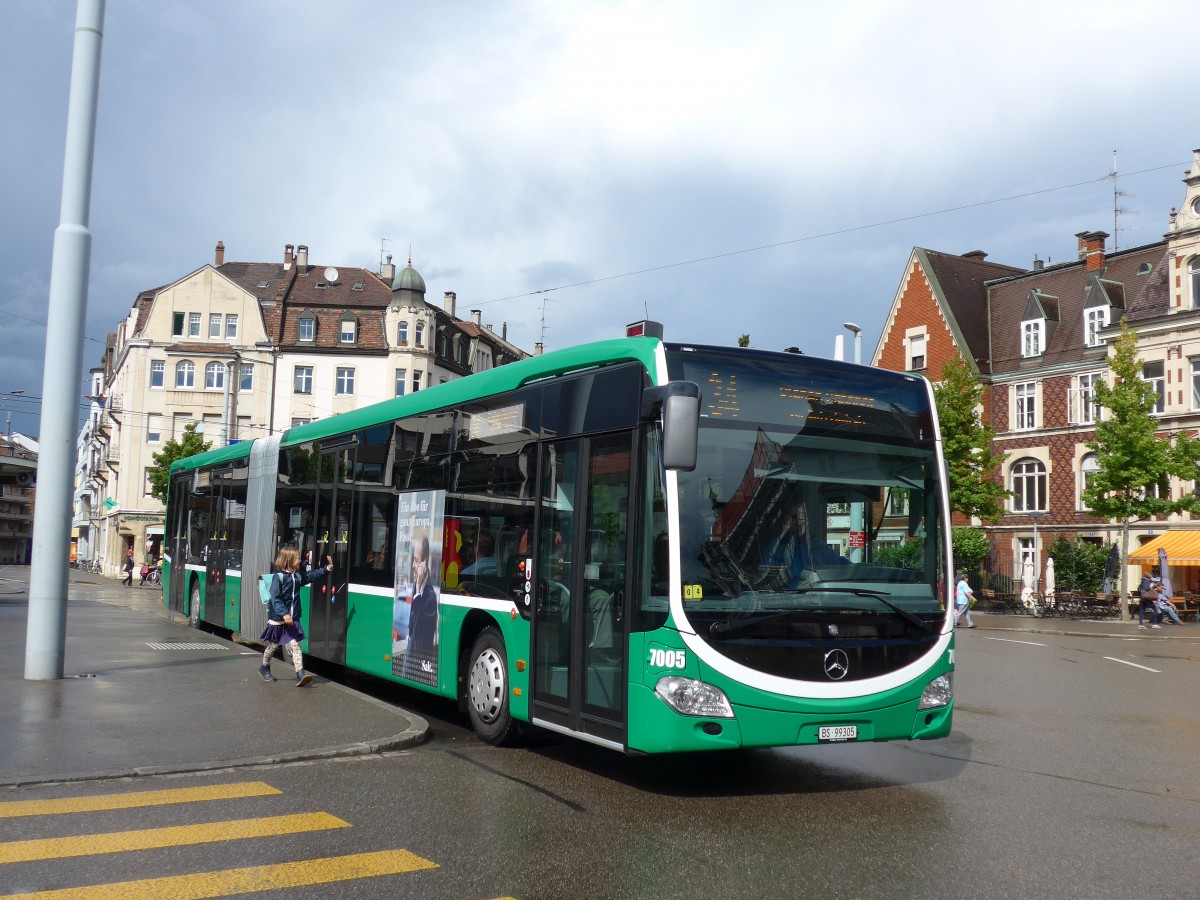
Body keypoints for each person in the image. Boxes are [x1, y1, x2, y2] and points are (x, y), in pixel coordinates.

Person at [258, 547, 334, 686]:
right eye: (298, 558)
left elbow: (311, 576)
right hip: (279, 618)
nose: (300, 560)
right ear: (289, 560)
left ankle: (300, 674)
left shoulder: (297, 576)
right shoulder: (278, 577)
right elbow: (276, 599)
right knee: (274, 645)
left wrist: (326, 569)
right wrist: (284, 614)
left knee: (295, 644)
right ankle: (264, 667)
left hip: (293, 618)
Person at [762, 502, 848, 589]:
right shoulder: (774, 550)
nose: (799, 522)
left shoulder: (818, 548)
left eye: (802, 516)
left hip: (818, 600)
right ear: (785, 520)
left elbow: (848, 569)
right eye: (794, 517)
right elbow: (766, 581)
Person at [404, 535, 439, 682]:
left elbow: (418, 640)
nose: (413, 565)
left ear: (424, 563)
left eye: (417, 560)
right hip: (409, 661)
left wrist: (418, 589)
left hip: (417, 666)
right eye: (413, 559)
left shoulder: (429, 597)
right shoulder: (416, 588)